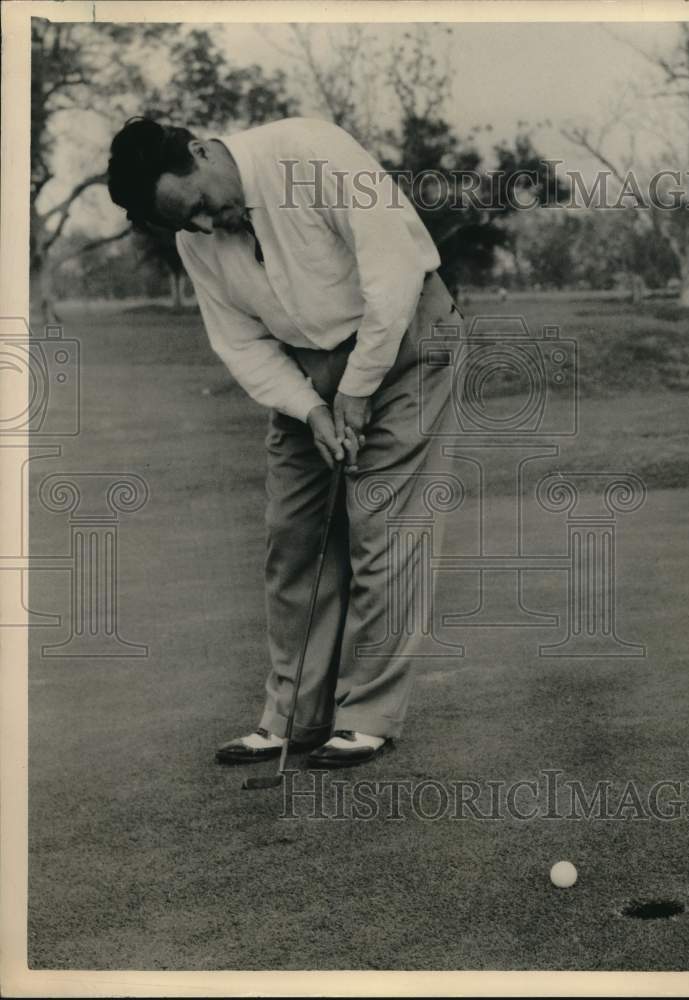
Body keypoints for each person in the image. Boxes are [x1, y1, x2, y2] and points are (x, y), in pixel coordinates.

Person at [107, 115, 462, 768]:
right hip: (306, 364)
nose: (207, 228)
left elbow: (393, 276)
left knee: (380, 526)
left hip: (409, 339)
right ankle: (291, 716)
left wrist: (355, 389)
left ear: (201, 152)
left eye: (202, 207)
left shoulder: (310, 152)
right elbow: (238, 341)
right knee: (293, 534)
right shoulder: (197, 239)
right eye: (188, 224)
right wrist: (311, 410)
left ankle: (366, 716)